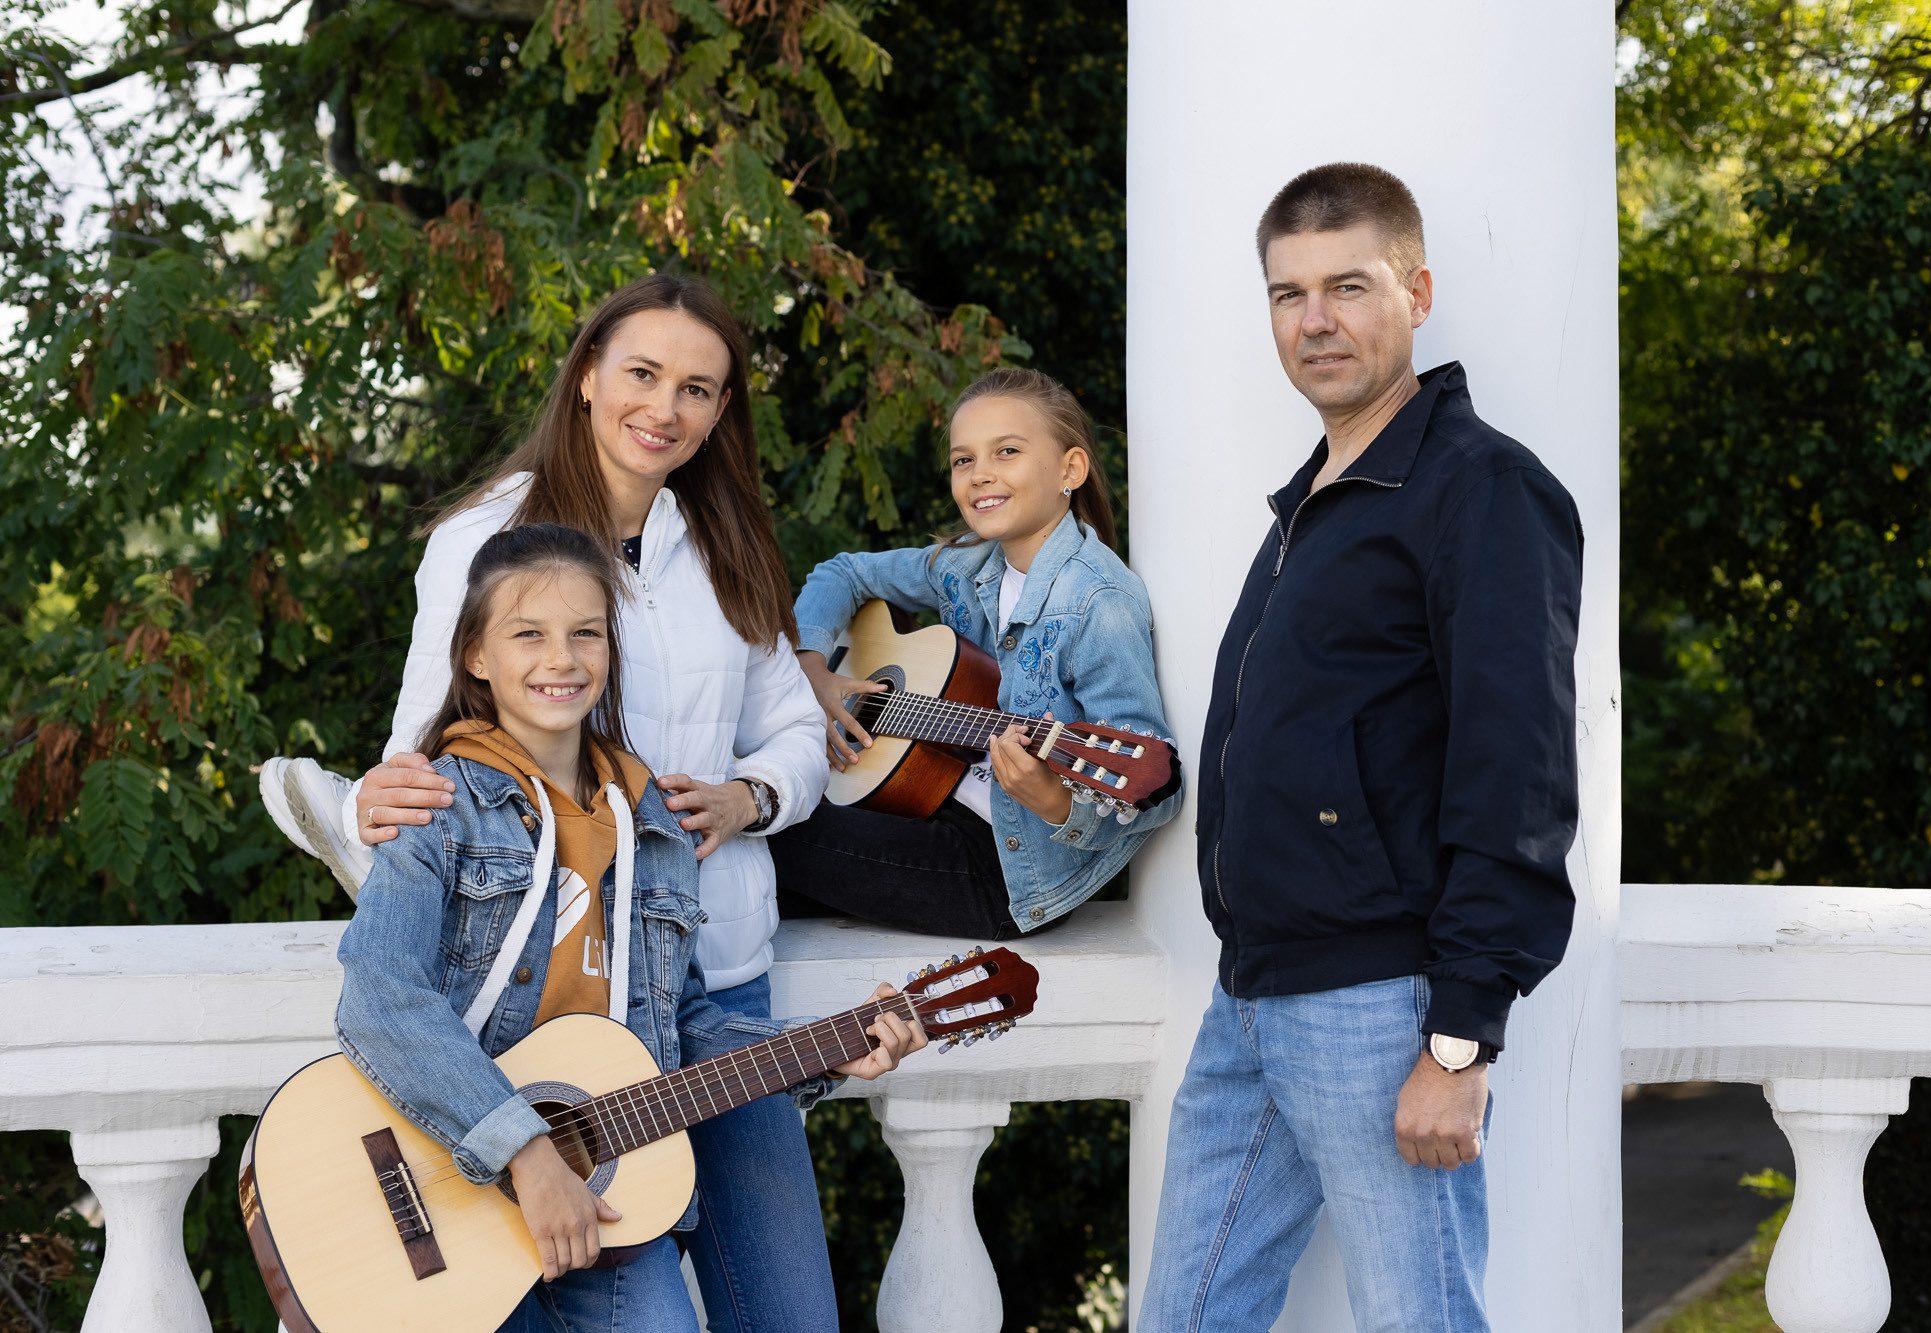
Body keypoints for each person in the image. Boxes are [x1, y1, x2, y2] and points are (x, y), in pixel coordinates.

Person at [261, 274, 839, 1330]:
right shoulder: (488, 538)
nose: (664, 409)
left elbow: (799, 731)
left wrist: (748, 795)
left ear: (722, 410)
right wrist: (363, 811)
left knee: (789, 1313)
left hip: (714, 977)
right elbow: (431, 750)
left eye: (697, 389)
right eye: (642, 373)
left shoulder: (729, 542)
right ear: (585, 377)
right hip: (552, 1020)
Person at [1139, 164, 1583, 1331]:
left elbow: (1520, 769)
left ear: (1415, 292)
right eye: (1286, 294)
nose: (1314, 321)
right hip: (1252, 993)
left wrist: (1460, 1036)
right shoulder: (1314, 499)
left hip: (1380, 1008)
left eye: (1347, 286)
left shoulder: (1481, 489)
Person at [333, 523, 924, 1333]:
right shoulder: (438, 802)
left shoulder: (653, 821)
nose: (562, 658)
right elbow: (379, 995)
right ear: (474, 654)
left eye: (586, 633)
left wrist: (829, 1049)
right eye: (528, 634)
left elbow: (682, 1025)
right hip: (450, 1175)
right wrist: (525, 1151)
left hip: (598, 1197)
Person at [774, 368, 1181, 940]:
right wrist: (812, 667)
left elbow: (1157, 790)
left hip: (1007, 868)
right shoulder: (965, 565)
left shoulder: (1099, 603)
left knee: (769, 826)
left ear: (1071, 469)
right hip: (925, 798)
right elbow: (843, 572)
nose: (980, 474)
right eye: (963, 460)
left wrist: (1055, 800)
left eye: (1006, 451)